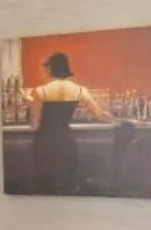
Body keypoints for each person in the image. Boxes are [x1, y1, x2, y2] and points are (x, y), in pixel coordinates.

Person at [20, 52, 112, 194]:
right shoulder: (80, 90)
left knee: (44, 188)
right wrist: (121, 121)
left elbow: (34, 125)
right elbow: (100, 114)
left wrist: (30, 104)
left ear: (50, 69)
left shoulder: (39, 91)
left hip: (44, 144)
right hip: (66, 142)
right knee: (67, 187)